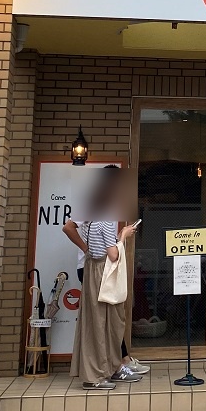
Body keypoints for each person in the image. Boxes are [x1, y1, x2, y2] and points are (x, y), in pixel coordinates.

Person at [65, 165, 140, 388]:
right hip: (103, 271)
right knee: (105, 322)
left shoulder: (93, 209)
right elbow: (113, 254)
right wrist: (124, 236)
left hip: (92, 268)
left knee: (99, 322)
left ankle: (108, 368)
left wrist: (89, 249)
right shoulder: (107, 214)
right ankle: (98, 375)